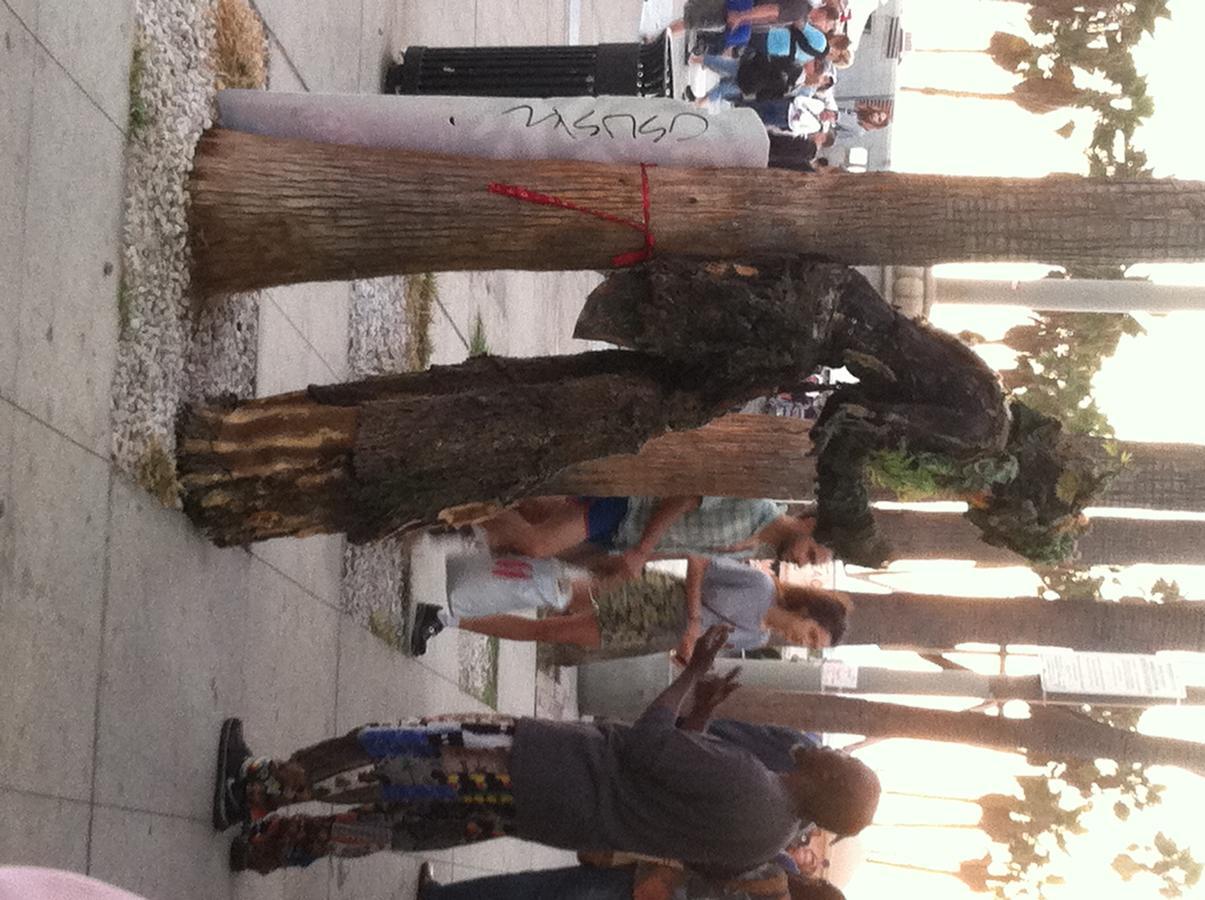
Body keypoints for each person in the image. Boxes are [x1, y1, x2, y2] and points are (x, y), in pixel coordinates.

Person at [213, 626, 881, 876]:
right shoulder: (763, 841)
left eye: (838, 764)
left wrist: (686, 679)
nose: (824, 754)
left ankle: (259, 789)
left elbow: (647, 744)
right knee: (407, 822)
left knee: (388, 757)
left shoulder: (755, 784)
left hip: (539, 765)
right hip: (555, 814)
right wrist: (700, 719)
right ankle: (278, 847)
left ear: (824, 778)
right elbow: (680, 819)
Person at [409, 554, 849, 663]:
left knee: (551, 632)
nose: (801, 642)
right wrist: (695, 617)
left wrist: (687, 653)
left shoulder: (759, 637)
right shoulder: (759, 584)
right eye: (810, 635)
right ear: (808, 612)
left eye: (811, 647)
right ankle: (483, 569)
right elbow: (699, 560)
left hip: (651, 634)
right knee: (557, 590)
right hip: (652, 596)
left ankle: (446, 619)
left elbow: (704, 646)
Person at [478, 495, 832, 580]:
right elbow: (680, 498)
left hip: (622, 537)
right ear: (810, 522)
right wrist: (643, 549)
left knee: (536, 510)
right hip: (627, 508)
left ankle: (469, 505)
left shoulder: (755, 545)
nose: (802, 562)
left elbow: (684, 546)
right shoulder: (754, 502)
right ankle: (460, 510)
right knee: (535, 545)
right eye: (812, 554)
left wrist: (635, 558)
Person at [414, 859, 847, 900]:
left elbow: (706, 859)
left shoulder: (773, 874)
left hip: (644, 885)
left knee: (534, 889)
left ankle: (439, 898)